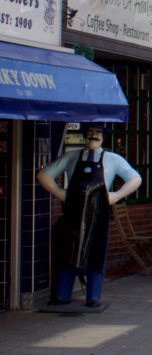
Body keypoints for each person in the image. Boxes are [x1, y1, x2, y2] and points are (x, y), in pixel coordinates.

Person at [36, 123, 142, 308]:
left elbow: (135, 178)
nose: (94, 136)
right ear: (84, 135)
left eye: (98, 133)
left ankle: (93, 296)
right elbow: (44, 175)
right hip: (72, 215)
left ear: (103, 136)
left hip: (98, 216)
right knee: (68, 252)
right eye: (90, 133)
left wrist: (116, 195)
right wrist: (61, 193)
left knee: (96, 254)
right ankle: (63, 294)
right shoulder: (71, 157)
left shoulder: (113, 159)